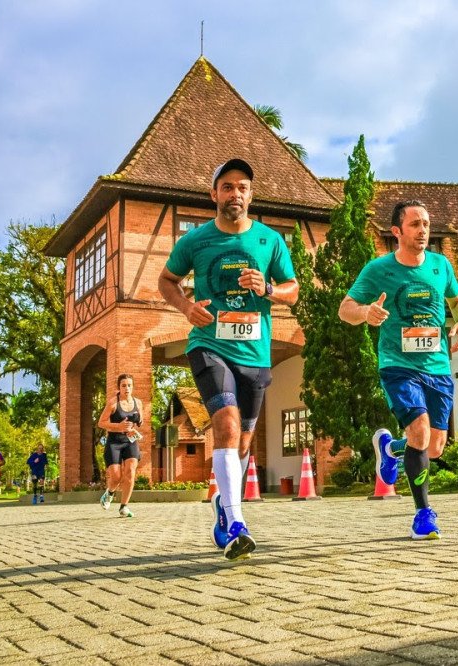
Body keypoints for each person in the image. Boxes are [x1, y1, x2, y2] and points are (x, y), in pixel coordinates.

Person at [158, 158, 298, 560]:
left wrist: (269, 288)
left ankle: (224, 505)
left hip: (254, 352)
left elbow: (293, 289)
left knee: (243, 443)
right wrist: (186, 308)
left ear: (250, 195)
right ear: (214, 194)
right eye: (227, 186)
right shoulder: (195, 241)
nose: (235, 193)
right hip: (208, 344)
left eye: (242, 187)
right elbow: (166, 281)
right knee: (227, 424)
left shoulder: (270, 241)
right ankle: (237, 522)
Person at [339, 200, 458, 539]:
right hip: (399, 365)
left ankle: (391, 448)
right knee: (421, 430)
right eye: (415, 224)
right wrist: (366, 312)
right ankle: (423, 513)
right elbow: (345, 309)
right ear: (397, 231)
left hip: (437, 365)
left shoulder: (441, 266)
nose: (423, 229)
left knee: (435, 446)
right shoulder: (378, 269)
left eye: (426, 223)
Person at [96, 374, 144, 518]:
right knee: (116, 477)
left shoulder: (138, 402)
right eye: (123, 385)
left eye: (129, 385)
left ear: (132, 387)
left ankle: (124, 507)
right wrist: (119, 426)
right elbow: (101, 423)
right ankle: (109, 493)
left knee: (130, 471)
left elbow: (141, 420)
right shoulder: (113, 403)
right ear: (119, 387)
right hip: (114, 442)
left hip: (130, 440)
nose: (127, 388)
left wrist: (138, 422)